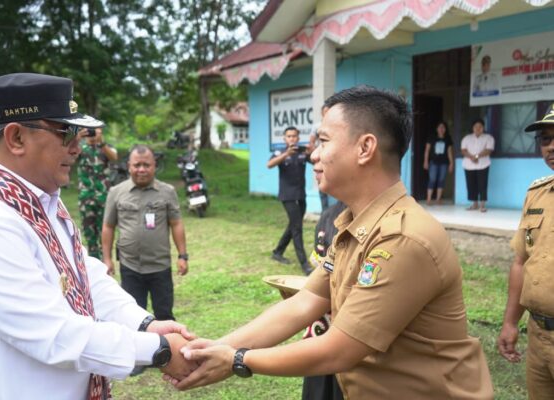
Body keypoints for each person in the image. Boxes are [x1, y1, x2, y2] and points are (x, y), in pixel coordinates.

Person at [166, 85, 494, 399]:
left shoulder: (403, 238)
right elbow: (306, 301)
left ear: (365, 148)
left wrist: (238, 360)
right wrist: (213, 348)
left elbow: (339, 348)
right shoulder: (354, 223)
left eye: (323, 140)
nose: (314, 155)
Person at [0, 73, 195, 399]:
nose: (77, 147)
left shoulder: (37, 201)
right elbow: (53, 334)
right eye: (66, 132)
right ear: (16, 138)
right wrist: (160, 349)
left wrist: (144, 324)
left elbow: (85, 277)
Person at [498, 104, 554, 400]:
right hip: (538, 334)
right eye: (545, 139)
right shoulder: (536, 194)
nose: (551, 146)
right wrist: (510, 323)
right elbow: (521, 262)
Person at [102, 144, 188, 322]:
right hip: (130, 266)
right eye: (137, 165)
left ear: (154, 165)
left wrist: (183, 256)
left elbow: (176, 223)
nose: (141, 169)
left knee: (164, 316)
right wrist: (107, 259)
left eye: (146, 165)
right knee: (134, 319)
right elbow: (108, 226)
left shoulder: (167, 192)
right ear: (129, 166)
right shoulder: (116, 192)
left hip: (160, 266)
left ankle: (167, 349)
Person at [303, 201, 347, 400]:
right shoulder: (329, 215)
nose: (317, 168)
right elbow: (322, 270)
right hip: (323, 323)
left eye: (323, 165)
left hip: (351, 333)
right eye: (313, 166)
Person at [268, 126, 313, 275]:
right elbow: (269, 165)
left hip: (301, 195)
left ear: (298, 138)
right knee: (297, 228)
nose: (292, 138)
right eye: (289, 136)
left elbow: (314, 160)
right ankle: (304, 264)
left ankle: (277, 252)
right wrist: (286, 154)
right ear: (284, 139)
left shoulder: (301, 152)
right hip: (287, 196)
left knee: (293, 225)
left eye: (294, 136)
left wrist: (311, 151)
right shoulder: (279, 152)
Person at [78, 126, 117, 259]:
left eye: (96, 130)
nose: (93, 133)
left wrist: (101, 142)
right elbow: (66, 153)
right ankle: (94, 260)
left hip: (104, 196)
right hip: (86, 197)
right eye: (90, 130)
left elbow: (114, 157)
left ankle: (106, 260)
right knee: (89, 232)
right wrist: (77, 137)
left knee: (105, 229)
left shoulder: (105, 147)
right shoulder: (80, 148)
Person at [461, 118, 494, 212]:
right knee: (471, 185)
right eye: (476, 126)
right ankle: (474, 204)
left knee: (482, 185)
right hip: (468, 165)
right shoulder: (467, 138)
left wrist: (477, 156)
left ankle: (482, 205)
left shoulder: (488, 137)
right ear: (473, 128)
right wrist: (471, 157)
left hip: (483, 164)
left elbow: (489, 150)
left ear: (483, 128)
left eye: (480, 126)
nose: (478, 128)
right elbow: (463, 150)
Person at [422, 121, 454, 205]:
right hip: (433, 162)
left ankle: (438, 199)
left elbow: (449, 151)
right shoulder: (432, 137)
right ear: (437, 129)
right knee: (432, 179)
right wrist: (425, 161)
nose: (441, 129)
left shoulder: (448, 139)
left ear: (445, 129)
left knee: (441, 180)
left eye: (443, 127)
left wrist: (451, 163)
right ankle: (428, 199)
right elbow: (427, 150)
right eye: (440, 127)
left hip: (444, 163)